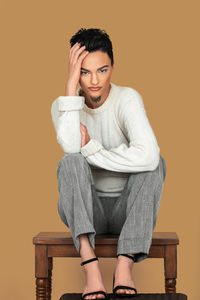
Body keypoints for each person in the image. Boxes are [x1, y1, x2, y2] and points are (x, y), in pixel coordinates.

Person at [51, 28, 167, 300]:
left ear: (113, 68)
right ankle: (90, 265)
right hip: (86, 207)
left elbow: (148, 156)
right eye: (84, 71)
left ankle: (124, 264)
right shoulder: (63, 105)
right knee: (70, 163)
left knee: (156, 163)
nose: (94, 81)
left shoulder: (127, 99)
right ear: (75, 72)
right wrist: (70, 87)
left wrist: (92, 148)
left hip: (128, 209)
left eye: (102, 70)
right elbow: (71, 148)